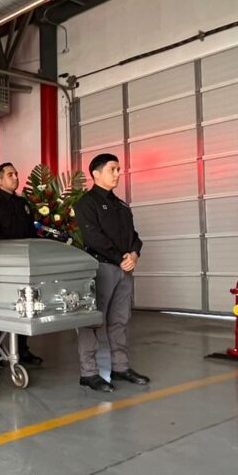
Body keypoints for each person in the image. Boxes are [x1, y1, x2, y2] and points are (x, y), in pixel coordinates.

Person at [73, 153, 150, 393]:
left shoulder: (121, 205)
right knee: (93, 321)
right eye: (112, 169)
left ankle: (120, 366)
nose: (118, 173)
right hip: (102, 268)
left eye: (118, 169)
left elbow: (133, 236)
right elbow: (93, 237)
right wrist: (120, 259)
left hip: (124, 269)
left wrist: (134, 254)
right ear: (96, 174)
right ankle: (89, 372)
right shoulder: (86, 203)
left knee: (120, 320)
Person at [0, 162, 44, 367]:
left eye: (16, 174)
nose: (15, 177)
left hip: (24, 263)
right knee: (0, 306)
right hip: (3, 264)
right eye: (10, 175)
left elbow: (31, 233)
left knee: (24, 306)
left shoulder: (23, 203)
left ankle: (22, 350)